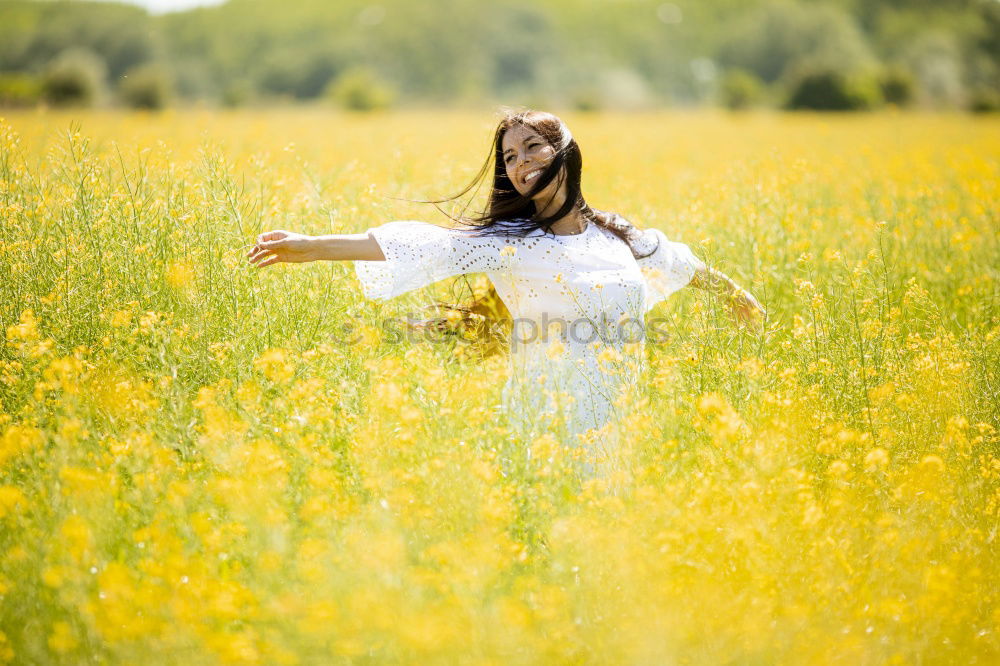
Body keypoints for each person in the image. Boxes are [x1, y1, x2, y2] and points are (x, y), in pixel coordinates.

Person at [245, 109, 766, 479]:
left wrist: (735, 294)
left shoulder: (615, 235)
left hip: (619, 421)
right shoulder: (508, 244)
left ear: (565, 151)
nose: (520, 163)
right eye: (510, 156)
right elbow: (430, 245)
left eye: (532, 146)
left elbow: (677, 259)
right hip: (546, 423)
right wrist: (310, 246)